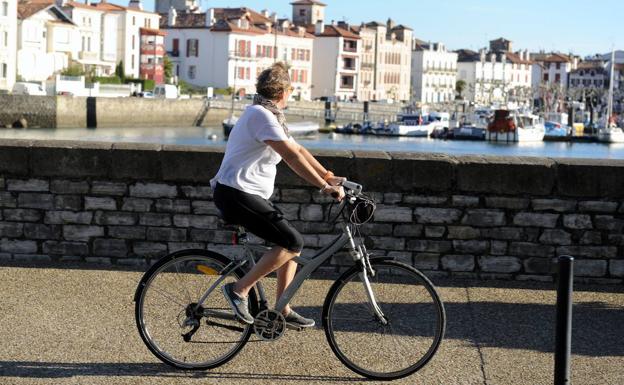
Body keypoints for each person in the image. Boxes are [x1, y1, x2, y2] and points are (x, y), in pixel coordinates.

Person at [210, 62, 346, 328]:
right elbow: (292, 156)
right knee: (291, 242)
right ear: (284, 92)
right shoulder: (260, 116)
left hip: (245, 193)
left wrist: (328, 175)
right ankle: (238, 290)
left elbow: (300, 150)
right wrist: (323, 186)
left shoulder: (269, 116)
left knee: (289, 244)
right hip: (236, 193)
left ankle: (282, 308)